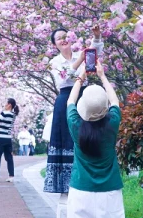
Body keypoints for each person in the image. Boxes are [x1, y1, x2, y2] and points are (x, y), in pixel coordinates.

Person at [65, 60, 131, 218]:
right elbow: (115, 103)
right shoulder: (111, 124)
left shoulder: (76, 126)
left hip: (80, 194)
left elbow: (70, 103)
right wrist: (103, 77)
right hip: (110, 195)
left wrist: (81, 78)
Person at [43, 25, 103, 195]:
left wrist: (97, 37)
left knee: (85, 134)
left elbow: (93, 56)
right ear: (55, 44)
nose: (63, 40)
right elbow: (63, 80)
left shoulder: (79, 54)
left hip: (84, 97)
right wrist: (79, 61)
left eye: (65, 36)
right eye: (59, 38)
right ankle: (65, 183)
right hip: (65, 99)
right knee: (66, 137)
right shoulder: (54, 62)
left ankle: (86, 176)